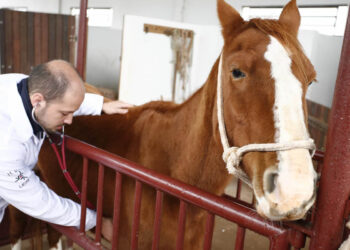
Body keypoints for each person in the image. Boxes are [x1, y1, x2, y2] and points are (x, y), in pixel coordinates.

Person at [0, 60, 132, 242]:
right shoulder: (6, 147)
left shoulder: (20, 86)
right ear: (37, 101)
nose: (69, 121)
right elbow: (40, 202)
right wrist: (94, 219)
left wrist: (99, 105)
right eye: (64, 114)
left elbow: (55, 101)